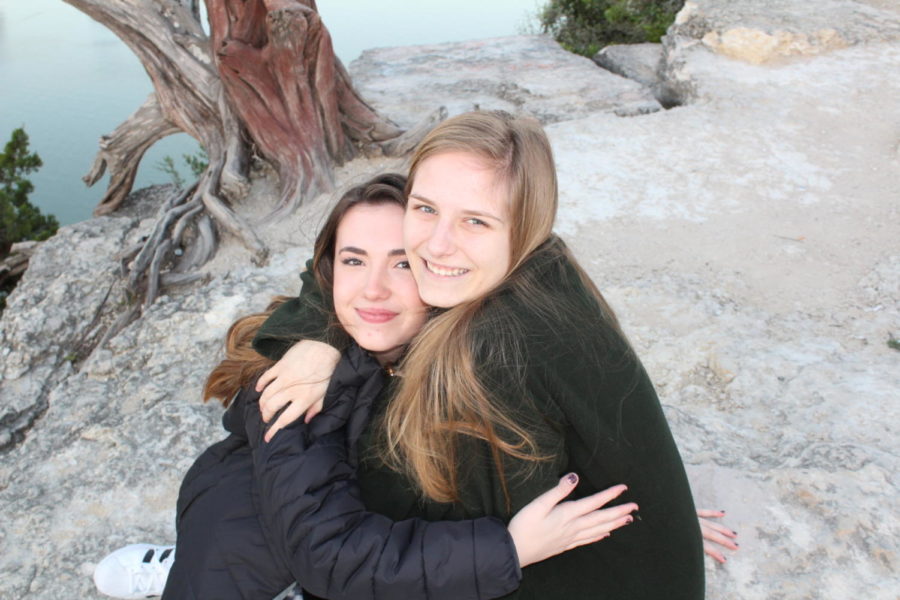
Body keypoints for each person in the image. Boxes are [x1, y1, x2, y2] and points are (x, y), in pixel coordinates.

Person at [250, 110, 736, 599]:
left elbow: (427, 552)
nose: (436, 246)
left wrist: (653, 526)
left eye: (475, 221)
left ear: (524, 226)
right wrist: (320, 338)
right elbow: (351, 245)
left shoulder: (494, 351)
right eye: (424, 210)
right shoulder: (541, 267)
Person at [93, 174, 640, 600]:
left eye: (401, 262)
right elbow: (329, 555)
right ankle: (176, 569)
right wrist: (512, 549)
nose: (374, 289)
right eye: (354, 261)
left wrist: (635, 510)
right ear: (330, 272)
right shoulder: (298, 384)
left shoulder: (455, 342)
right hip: (258, 544)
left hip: (352, 528)